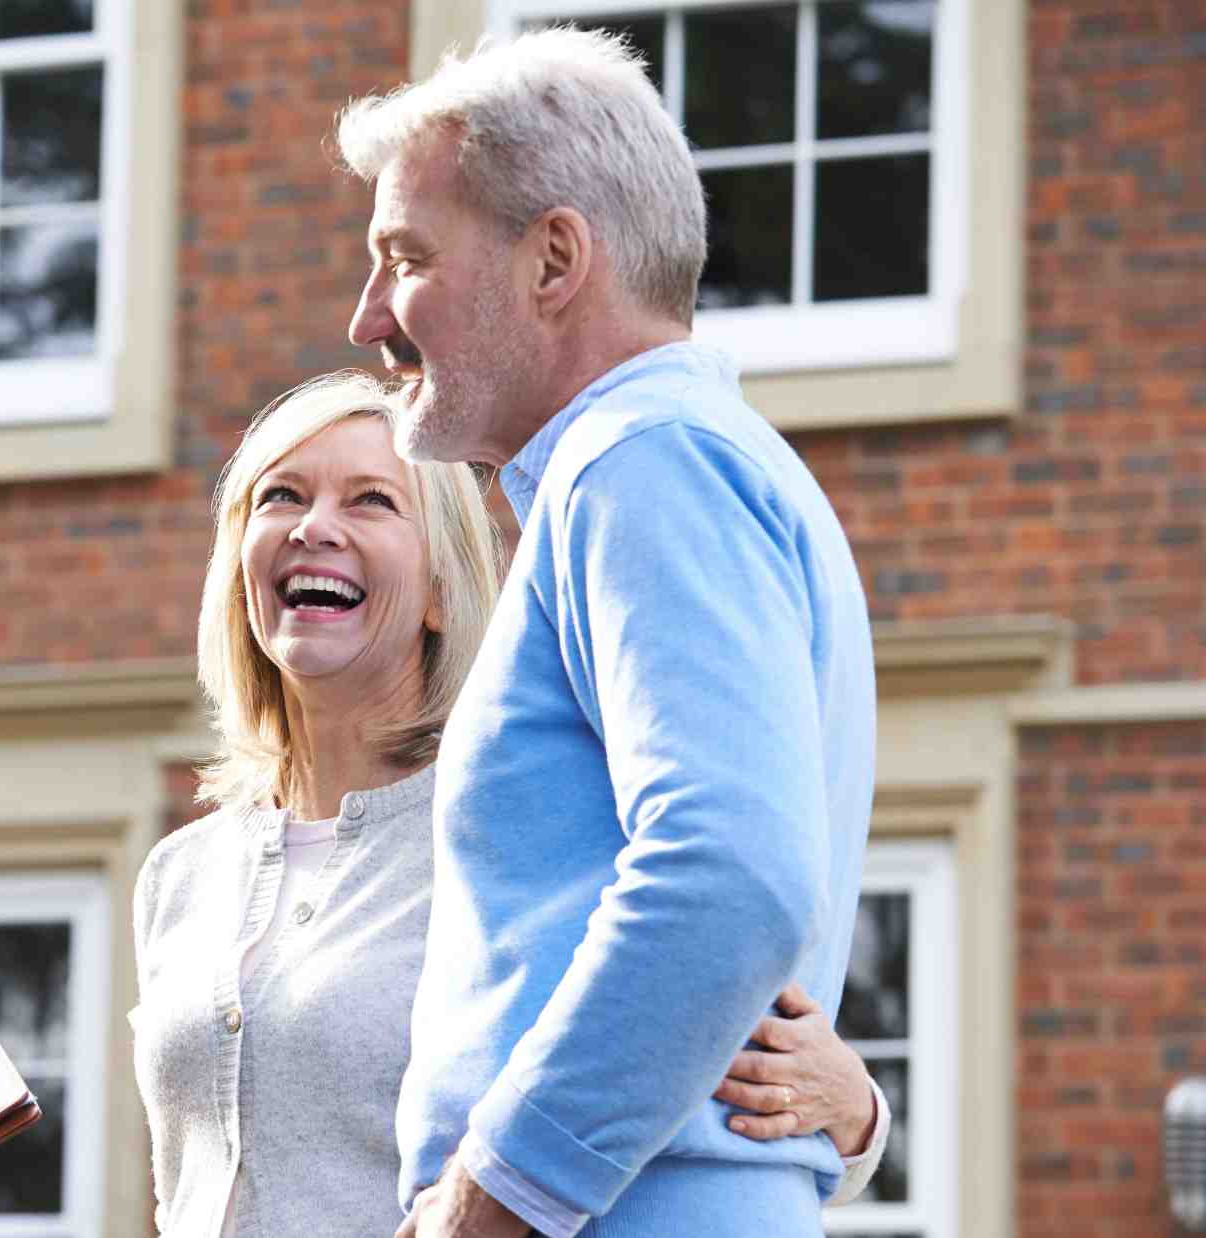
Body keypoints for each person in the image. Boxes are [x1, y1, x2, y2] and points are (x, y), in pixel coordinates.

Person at [334, 29, 880, 1237]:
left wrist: (491, 1198)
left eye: (404, 256)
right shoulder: (672, 461)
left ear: (555, 259)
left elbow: (728, 873)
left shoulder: (643, 461)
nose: (367, 313)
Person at [129, 373, 888, 1236]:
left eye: (371, 501)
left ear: (443, 592)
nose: (314, 527)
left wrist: (857, 1111)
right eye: (282, 497)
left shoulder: (513, 833)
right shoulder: (177, 876)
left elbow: (674, 1008)